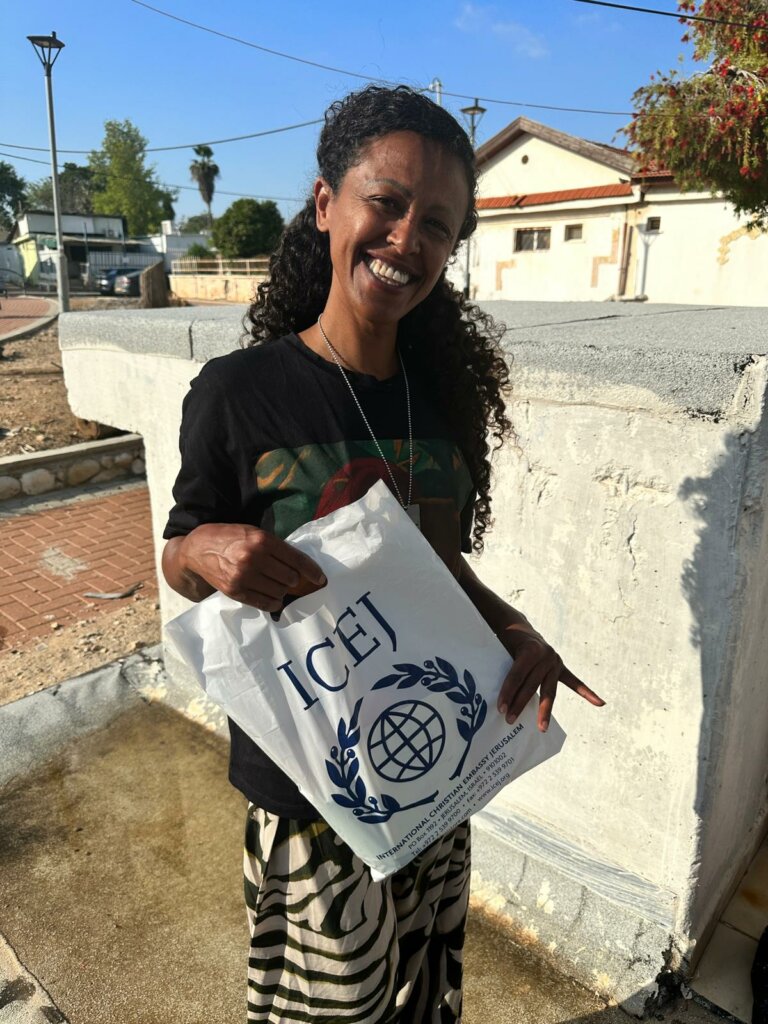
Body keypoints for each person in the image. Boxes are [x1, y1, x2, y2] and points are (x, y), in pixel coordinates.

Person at [162, 84, 605, 1024]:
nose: (408, 238)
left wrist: (517, 632)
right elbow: (177, 553)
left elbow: (441, 572)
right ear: (327, 205)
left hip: (438, 773)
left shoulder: (438, 404)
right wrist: (207, 547)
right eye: (387, 202)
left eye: (439, 224)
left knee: (423, 1000)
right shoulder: (241, 395)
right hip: (309, 792)